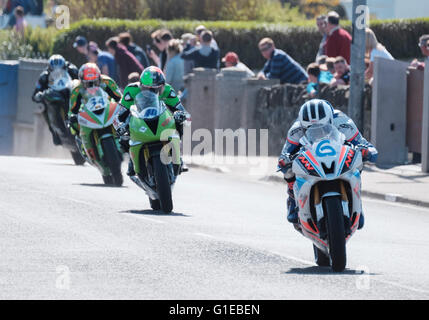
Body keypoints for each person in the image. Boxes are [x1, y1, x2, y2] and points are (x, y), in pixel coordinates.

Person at [277, 99, 378, 230]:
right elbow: (285, 153)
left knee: (358, 161)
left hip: (337, 154)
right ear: (303, 124)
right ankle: (292, 200)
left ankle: (357, 200)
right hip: (311, 157)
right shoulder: (296, 129)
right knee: (289, 171)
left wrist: (367, 150)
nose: (318, 132)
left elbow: (362, 142)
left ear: (331, 119)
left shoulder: (343, 122)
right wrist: (284, 161)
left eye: (322, 127)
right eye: (311, 129)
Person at [116, 66, 190, 177]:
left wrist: (181, 115)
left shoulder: (168, 91)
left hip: (161, 120)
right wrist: (120, 125)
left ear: (163, 86)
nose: (151, 92)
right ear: (141, 86)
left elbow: (182, 111)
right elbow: (120, 114)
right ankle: (132, 160)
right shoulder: (131, 91)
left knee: (179, 121)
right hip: (138, 121)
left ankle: (178, 156)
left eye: (156, 89)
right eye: (147, 89)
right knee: (122, 135)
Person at [67, 63, 122, 165]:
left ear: (99, 78)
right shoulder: (77, 89)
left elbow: (119, 97)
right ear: (82, 81)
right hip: (87, 112)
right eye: (88, 84)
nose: (92, 86)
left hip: (106, 108)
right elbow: (72, 109)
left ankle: (123, 140)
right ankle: (84, 146)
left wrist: (122, 106)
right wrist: (72, 118)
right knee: (73, 126)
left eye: (95, 82)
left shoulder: (107, 81)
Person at [32, 54, 79, 146]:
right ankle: (54, 131)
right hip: (54, 96)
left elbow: (81, 81)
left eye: (60, 69)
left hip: (68, 92)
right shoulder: (44, 76)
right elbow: (36, 93)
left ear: (65, 66)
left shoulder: (72, 69)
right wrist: (40, 95)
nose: (58, 72)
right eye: (54, 70)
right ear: (49, 68)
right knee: (44, 107)